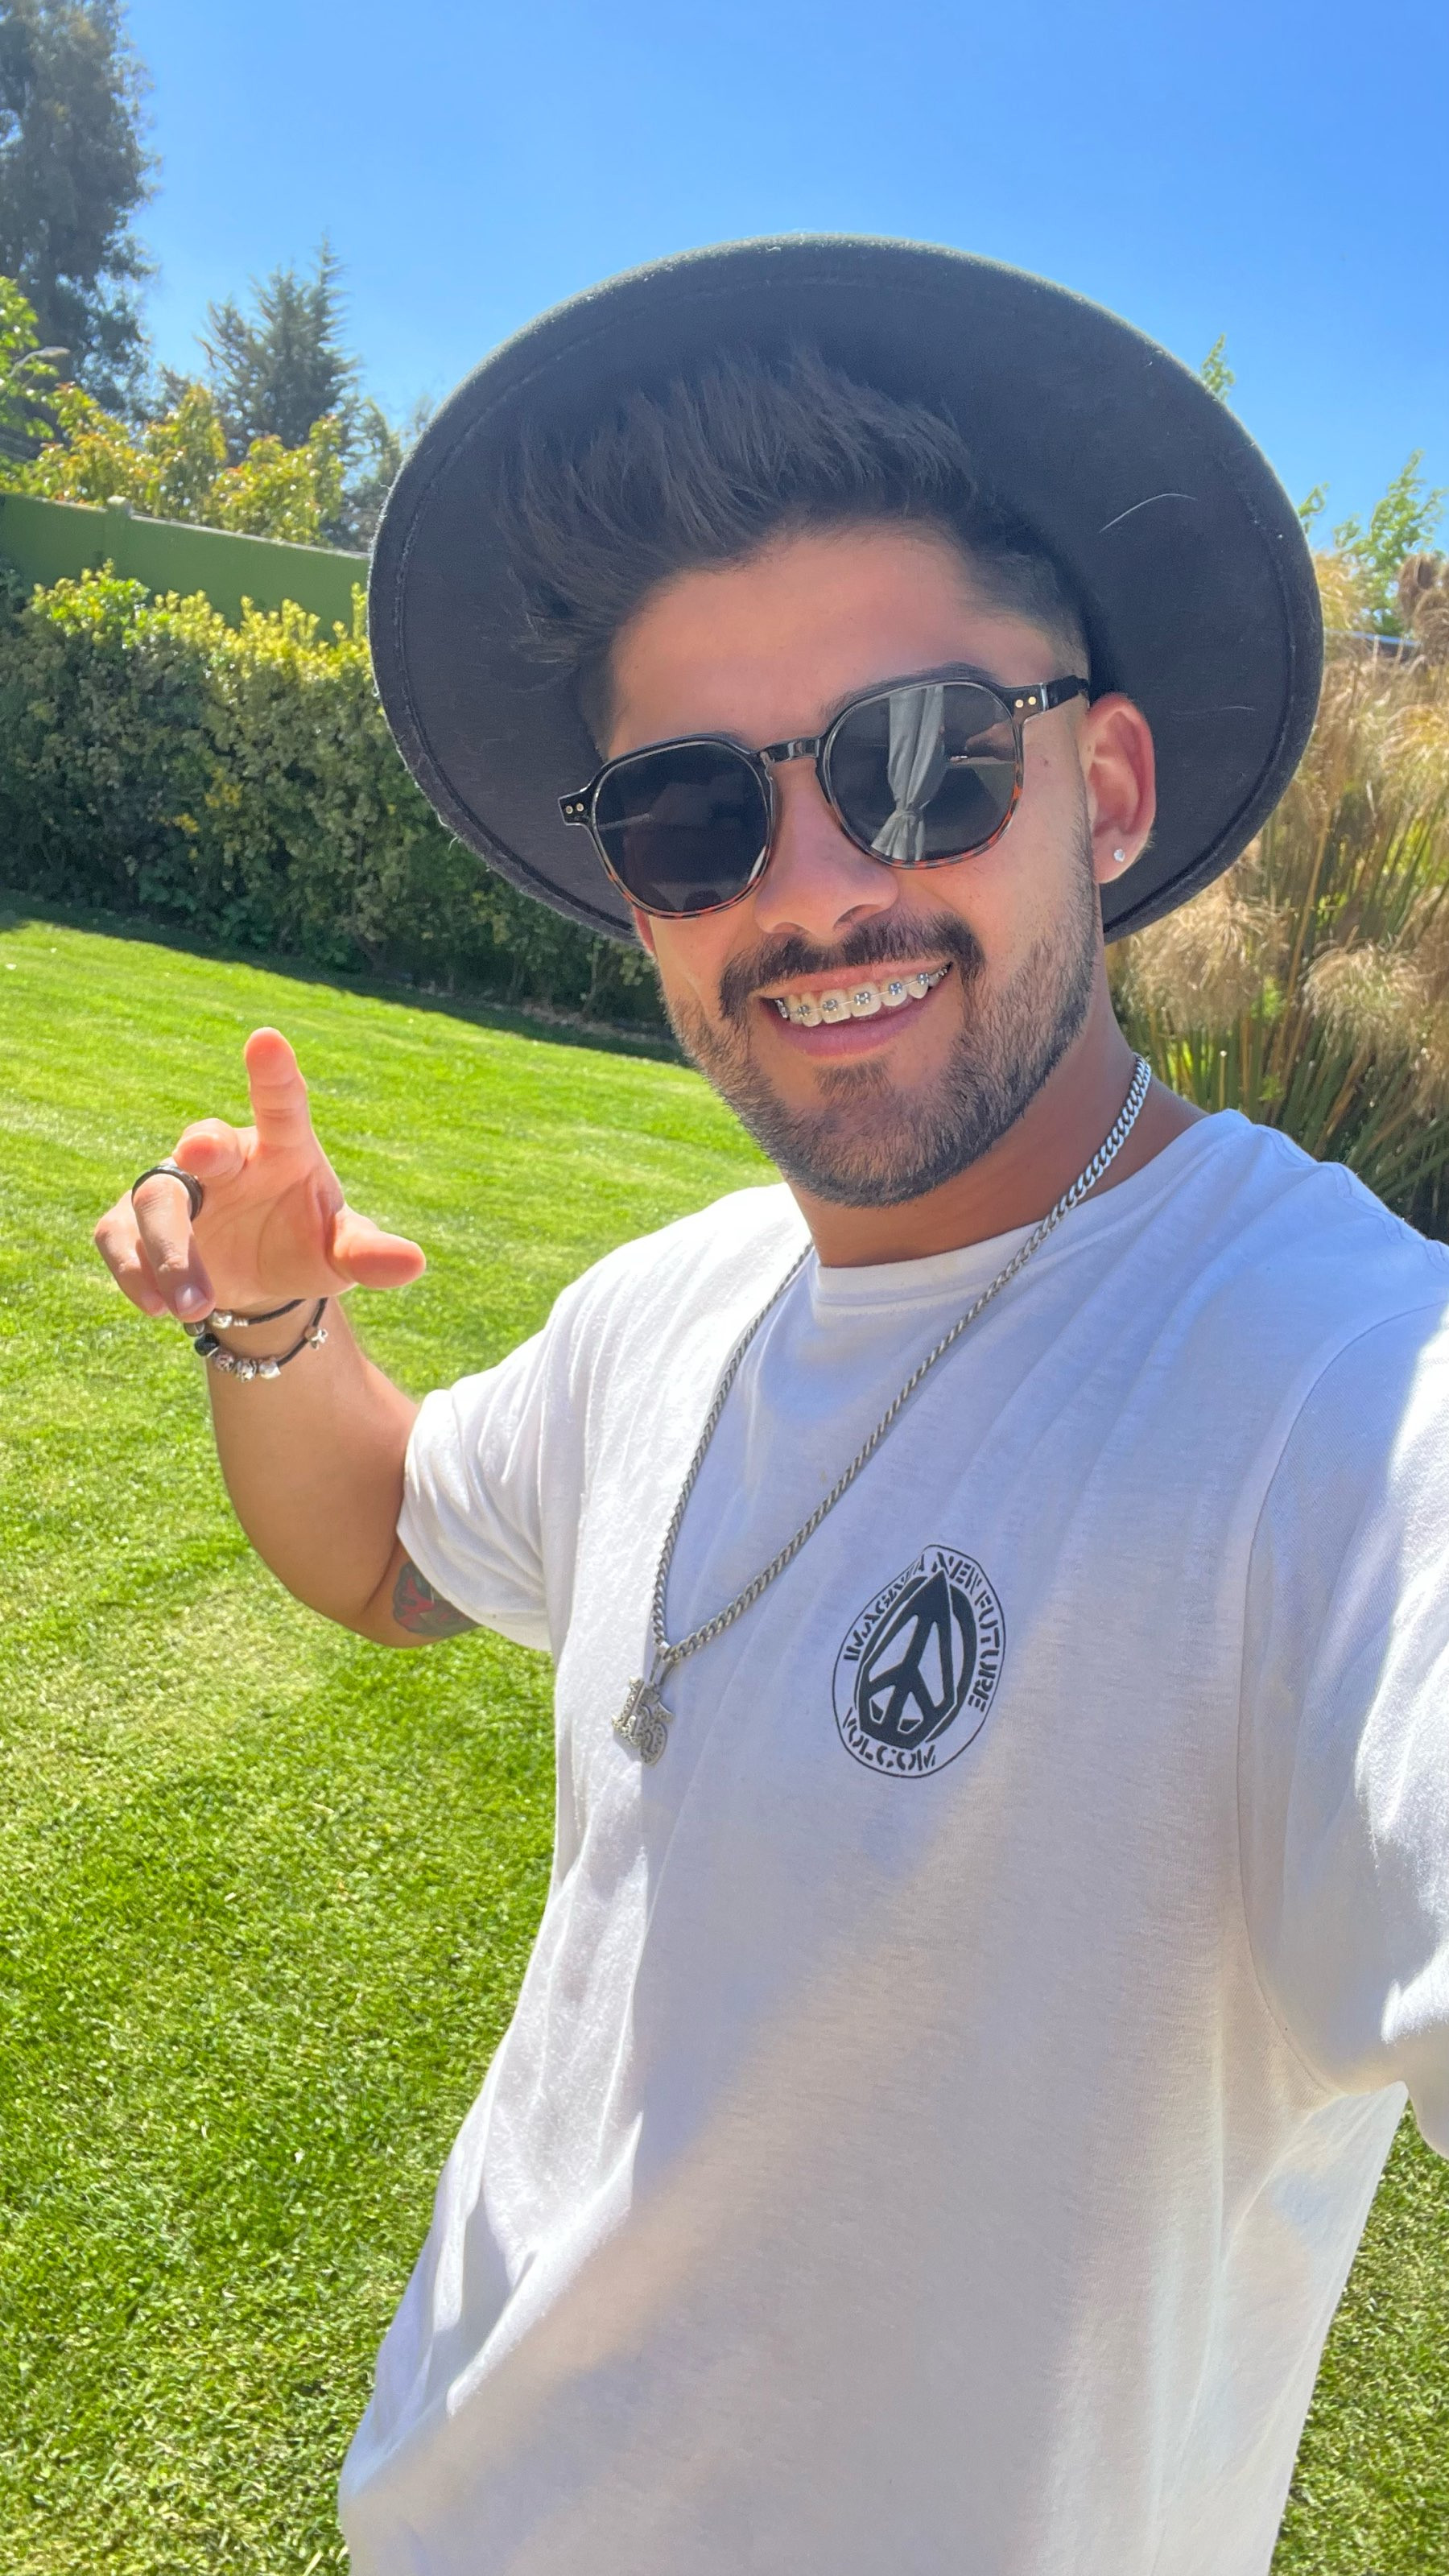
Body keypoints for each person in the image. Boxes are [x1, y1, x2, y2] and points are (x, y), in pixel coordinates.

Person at [93, 242, 1449, 2576]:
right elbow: (391, 1546)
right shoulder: (676, 1305)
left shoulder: (1338, 1391)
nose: (816, 890)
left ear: (1107, 785)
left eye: (926, 760)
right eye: (695, 815)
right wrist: (278, 1326)